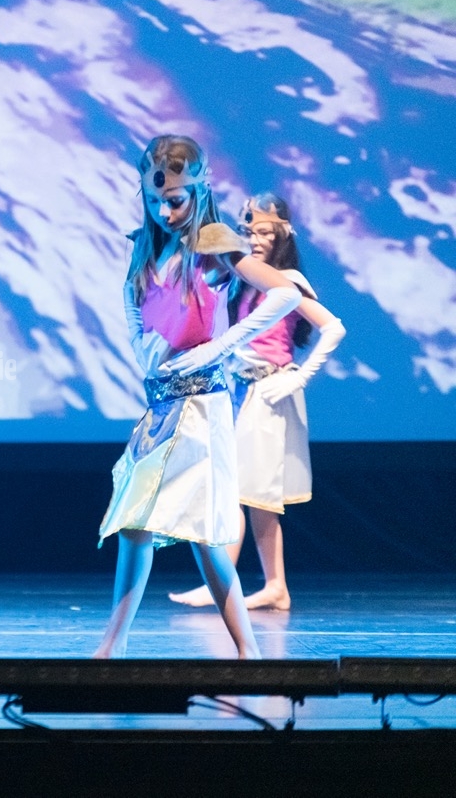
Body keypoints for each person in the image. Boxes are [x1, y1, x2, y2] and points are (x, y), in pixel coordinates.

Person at [93, 136, 302, 659]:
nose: (164, 212)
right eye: (154, 200)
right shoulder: (148, 245)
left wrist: (221, 347)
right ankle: (241, 651)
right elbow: (137, 303)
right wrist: (139, 339)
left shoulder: (212, 242)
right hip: (164, 404)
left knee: (164, 526)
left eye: (175, 200)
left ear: (199, 190)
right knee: (176, 533)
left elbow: (285, 294)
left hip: (201, 405)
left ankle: (118, 646)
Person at [168, 194, 345, 611]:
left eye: (265, 233)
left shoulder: (287, 281)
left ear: (283, 235)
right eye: (249, 232)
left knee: (245, 493)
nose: (255, 240)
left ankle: (233, 585)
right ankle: (269, 586)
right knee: (248, 495)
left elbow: (333, 328)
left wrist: (301, 376)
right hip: (240, 391)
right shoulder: (245, 279)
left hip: (269, 392)